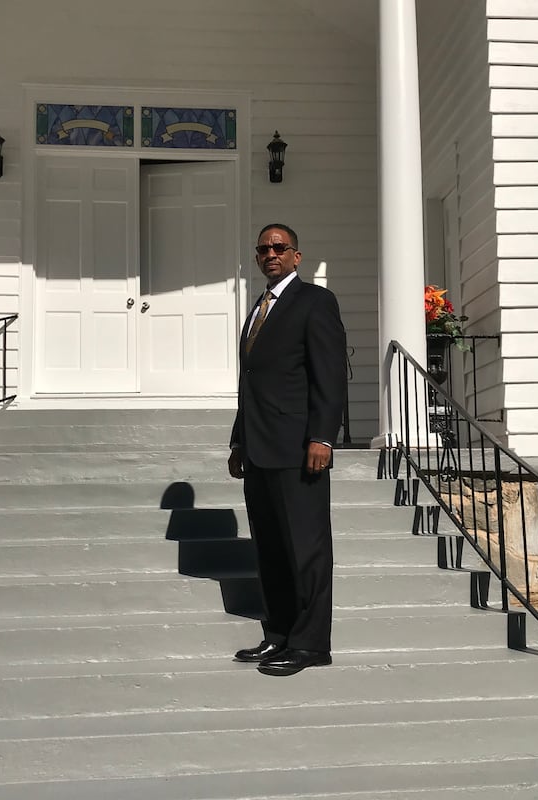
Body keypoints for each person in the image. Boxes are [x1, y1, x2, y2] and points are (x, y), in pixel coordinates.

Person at [228, 223, 347, 677]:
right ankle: (278, 634)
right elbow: (251, 383)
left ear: (297, 256)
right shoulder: (258, 308)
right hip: (258, 449)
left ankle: (311, 643)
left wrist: (323, 436)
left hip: (299, 448)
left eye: (279, 247)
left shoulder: (315, 302)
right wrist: (239, 439)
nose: (270, 254)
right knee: (272, 549)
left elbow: (329, 376)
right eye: (263, 249)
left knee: (307, 549)